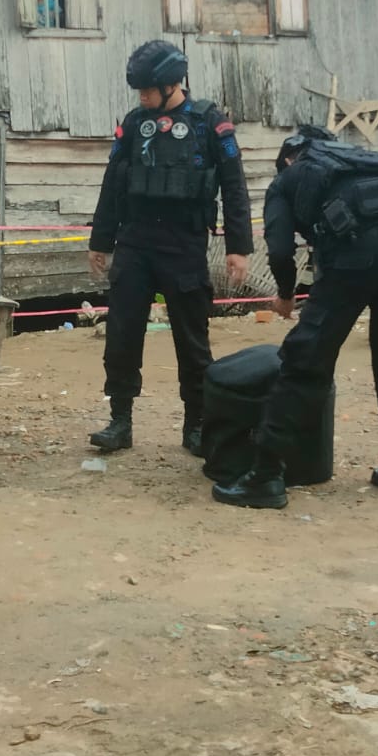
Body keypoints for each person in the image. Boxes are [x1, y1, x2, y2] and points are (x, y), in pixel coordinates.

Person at [211, 126, 378, 510]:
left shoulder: (289, 179)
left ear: (288, 158)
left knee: (305, 362)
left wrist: (285, 294)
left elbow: (279, 250)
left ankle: (265, 476)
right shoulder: (371, 160)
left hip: (354, 257)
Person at [87, 41, 253, 457]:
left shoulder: (209, 123)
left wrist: (238, 247)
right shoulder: (133, 122)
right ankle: (120, 421)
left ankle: (195, 424)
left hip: (184, 244)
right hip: (136, 241)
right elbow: (112, 181)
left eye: (149, 88)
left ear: (171, 84)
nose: (142, 96)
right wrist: (100, 241)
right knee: (122, 333)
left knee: (192, 340)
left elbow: (234, 187)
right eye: (139, 89)